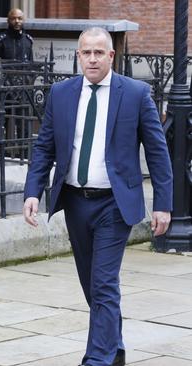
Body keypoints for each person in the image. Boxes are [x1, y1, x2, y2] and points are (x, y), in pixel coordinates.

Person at [23, 28, 172, 366]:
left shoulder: (134, 94)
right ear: (78, 56)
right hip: (75, 201)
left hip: (114, 204)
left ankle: (97, 359)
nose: (92, 59)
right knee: (92, 286)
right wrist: (33, 190)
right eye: (86, 53)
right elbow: (44, 147)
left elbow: (158, 152)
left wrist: (163, 204)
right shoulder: (61, 94)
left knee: (104, 283)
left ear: (110, 56)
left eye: (98, 53)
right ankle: (114, 348)